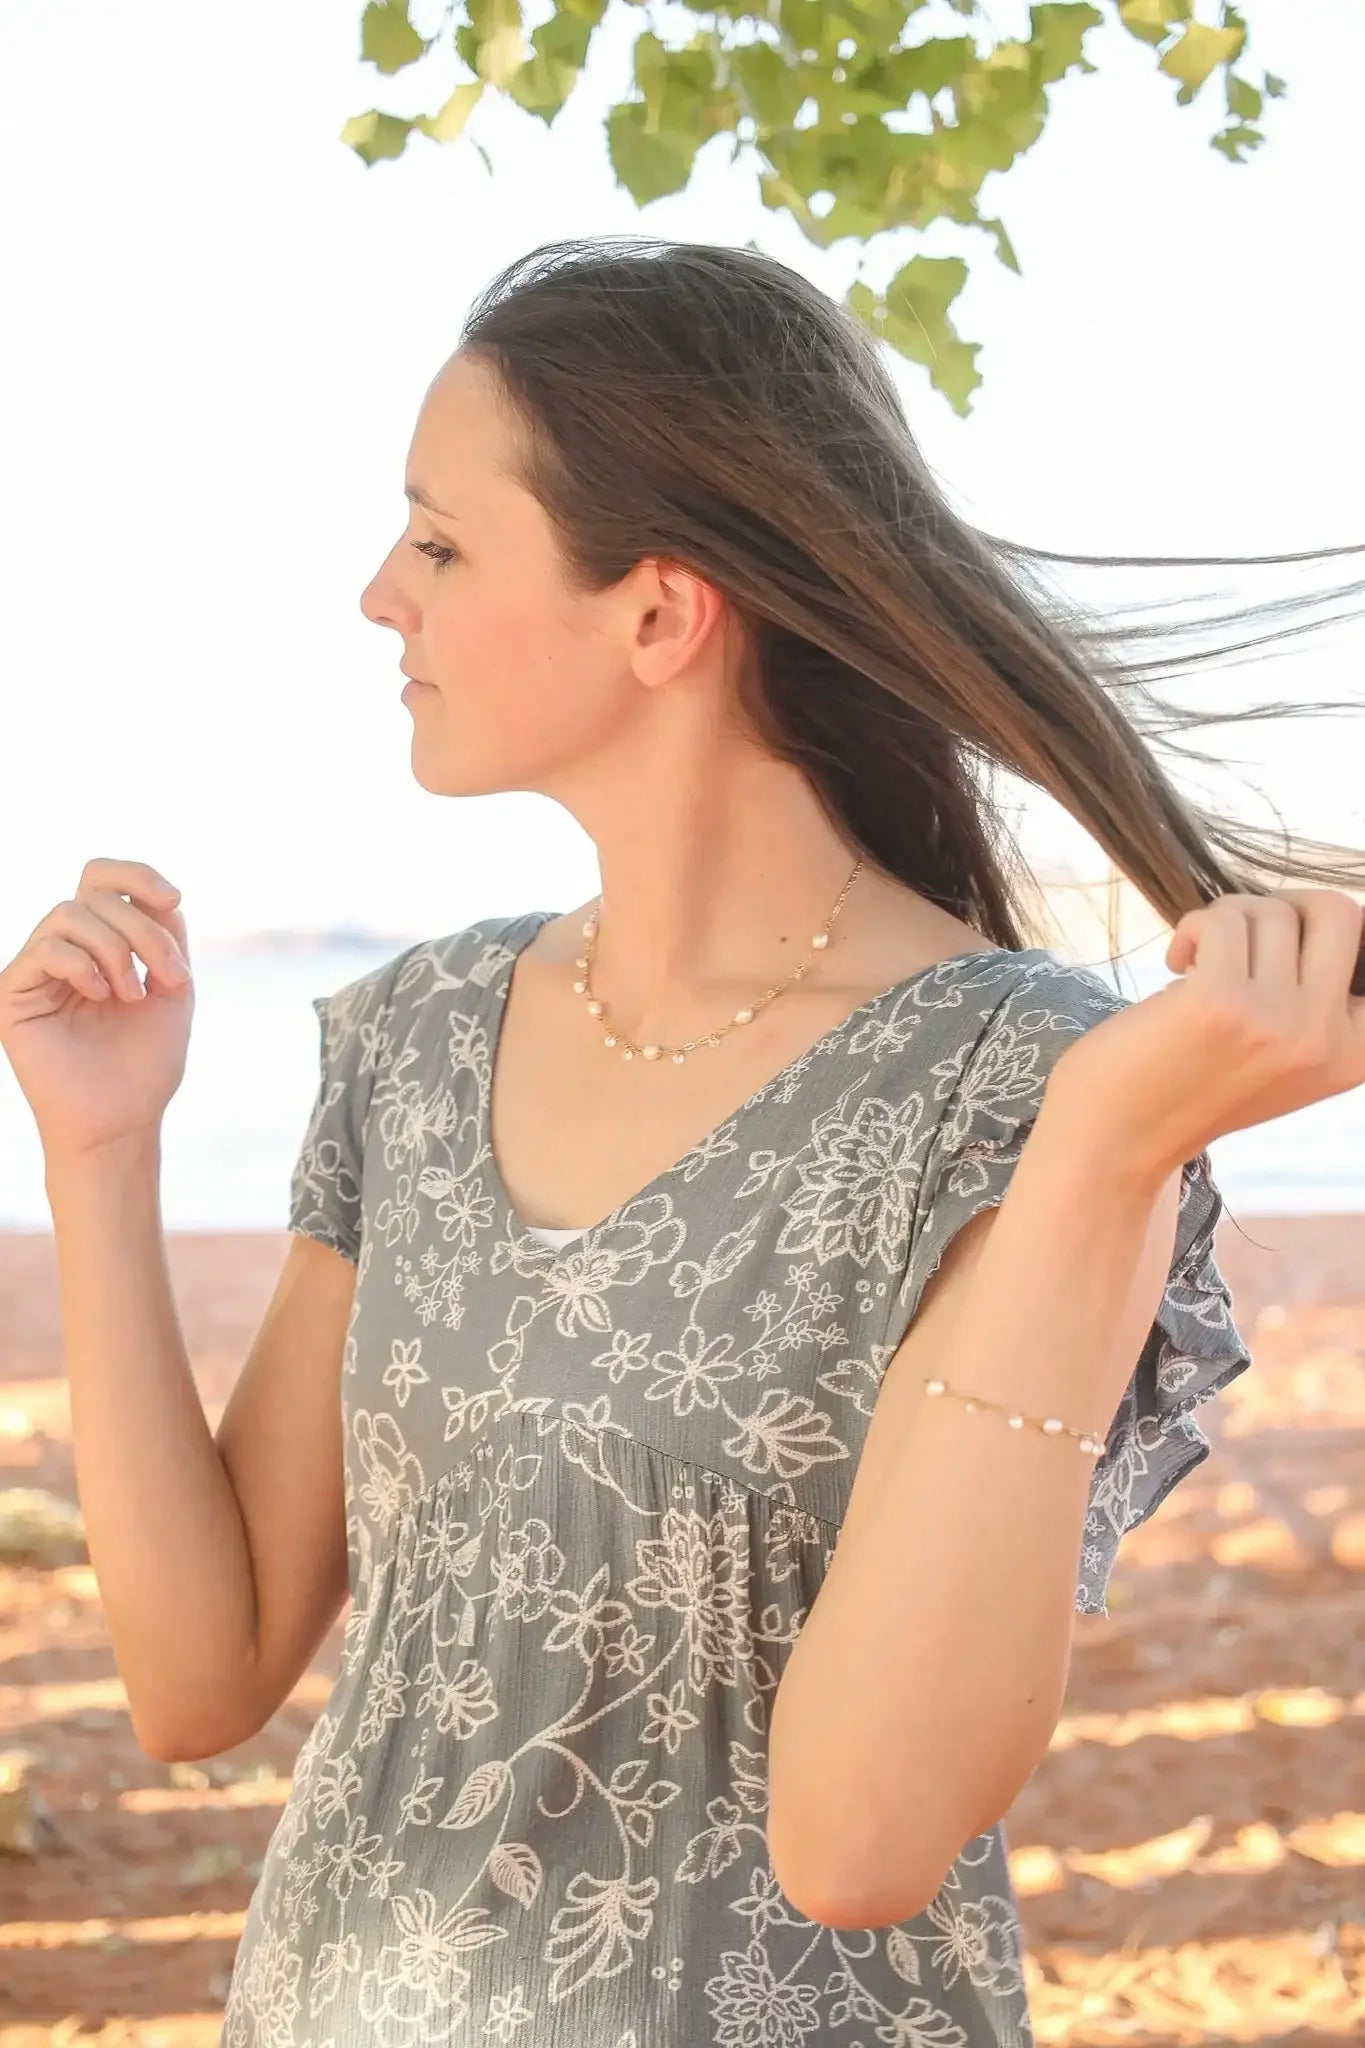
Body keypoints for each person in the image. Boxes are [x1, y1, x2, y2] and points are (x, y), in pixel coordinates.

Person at [4, 236, 1363, 2048]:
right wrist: (100, 1157)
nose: (373, 598)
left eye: (437, 540)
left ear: (657, 613)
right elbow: (197, 1678)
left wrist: (1100, 1160)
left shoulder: (1025, 1089)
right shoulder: (420, 1036)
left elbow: (863, 1841)